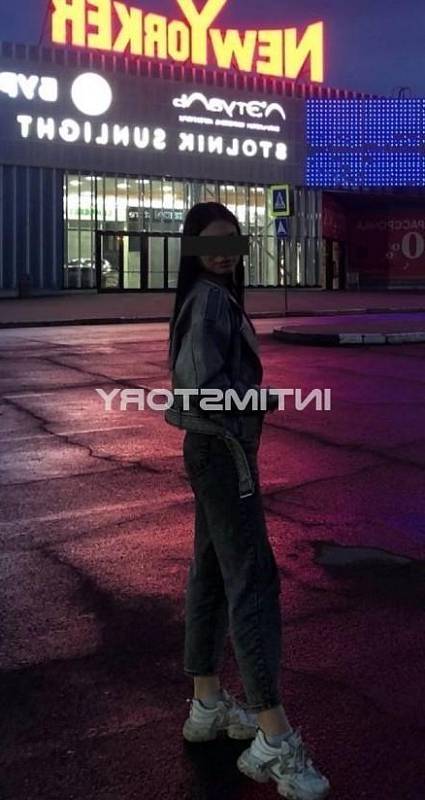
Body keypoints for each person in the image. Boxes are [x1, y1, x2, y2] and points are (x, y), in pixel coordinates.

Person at [165, 202, 330, 800]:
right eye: (211, 243)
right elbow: (201, 390)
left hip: (210, 450)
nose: (223, 254)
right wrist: (261, 400)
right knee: (254, 581)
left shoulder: (208, 297)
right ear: (192, 249)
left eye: (232, 243)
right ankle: (274, 737)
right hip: (222, 451)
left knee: (211, 573)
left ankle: (207, 703)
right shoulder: (210, 301)